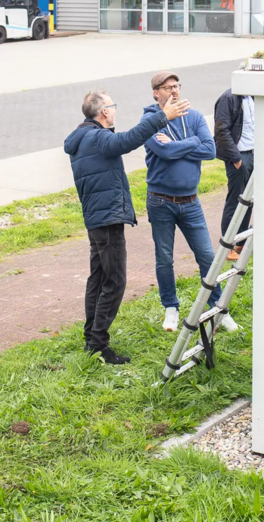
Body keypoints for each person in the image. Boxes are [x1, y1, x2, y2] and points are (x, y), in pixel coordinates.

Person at [64, 90, 190, 364]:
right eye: (113, 105)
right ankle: (99, 344)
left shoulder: (82, 137)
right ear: (104, 111)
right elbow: (128, 140)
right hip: (107, 218)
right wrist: (162, 117)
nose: (115, 110)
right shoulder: (98, 138)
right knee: (115, 281)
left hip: (97, 218)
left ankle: (92, 339)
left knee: (98, 278)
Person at [143, 71, 239, 334]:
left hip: (191, 202)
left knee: (207, 256)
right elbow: (163, 151)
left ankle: (218, 309)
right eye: (167, 87)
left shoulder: (194, 117)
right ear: (156, 92)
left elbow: (210, 150)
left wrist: (183, 143)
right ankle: (170, 309)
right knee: (164, 258)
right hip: (160, 201)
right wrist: (192, 142)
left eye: (176, 86)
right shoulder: (149, 121)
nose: (174, 91)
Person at [214, 88, 254, 262]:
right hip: (239, 156)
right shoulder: (228, 98)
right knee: (235, 199)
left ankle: (241, 241)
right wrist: (236, 159)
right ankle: (227, 246)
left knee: (249, 199)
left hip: (254, 153)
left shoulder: (254, 95)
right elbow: (221, 130)